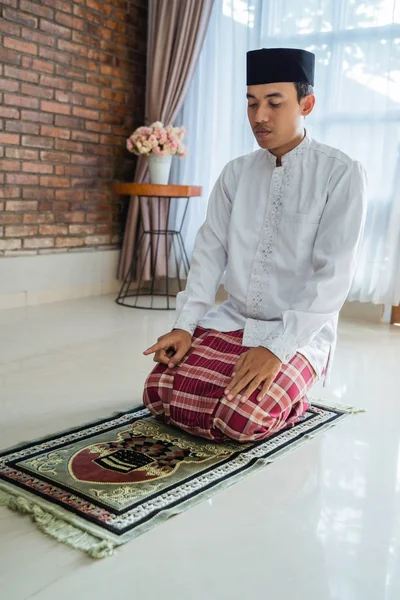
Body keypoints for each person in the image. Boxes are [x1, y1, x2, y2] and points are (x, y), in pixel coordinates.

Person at [142, 48, 367, 443]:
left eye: (274, 103)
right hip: (235, 320)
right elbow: (209, 255)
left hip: (299, 331)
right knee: (158, 391)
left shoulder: (341, 173)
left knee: (239, 420)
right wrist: (184, 325)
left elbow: (333, 277)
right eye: (251, 103)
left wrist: (278, 349)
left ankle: (298, 390)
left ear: (307, 104)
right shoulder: (235, 174)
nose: (259, 116)